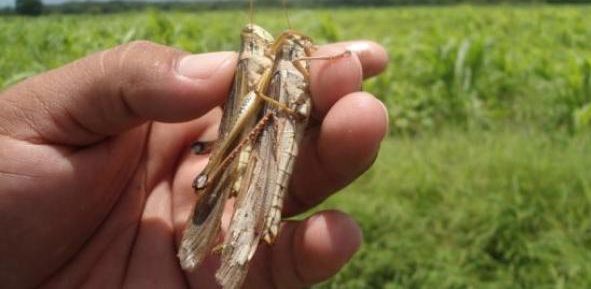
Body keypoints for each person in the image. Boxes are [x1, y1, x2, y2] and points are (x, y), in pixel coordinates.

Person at [0, 39, 389, 288]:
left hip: (262, 125)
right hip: (253, 128)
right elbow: (263, 105)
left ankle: (241, 228)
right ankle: (228, 222)